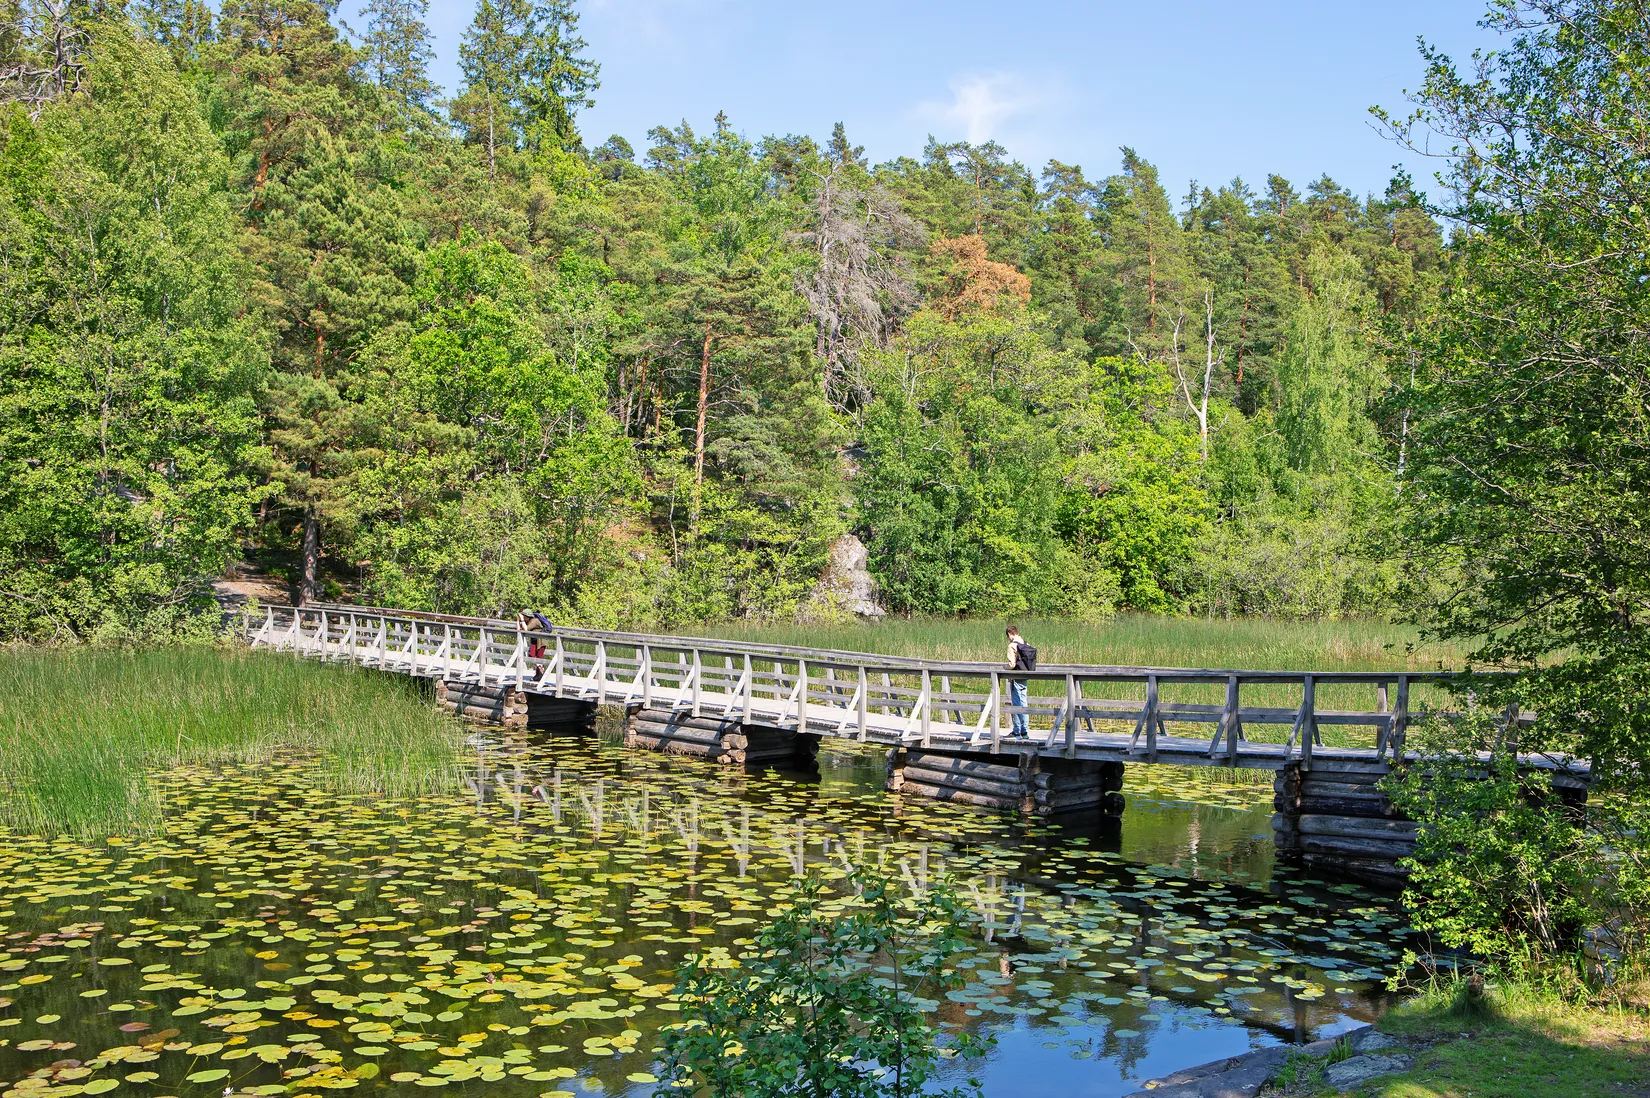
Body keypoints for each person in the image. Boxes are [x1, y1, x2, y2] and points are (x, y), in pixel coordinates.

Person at [1005, 625, 1033, 738]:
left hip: (1016, 677)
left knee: (1016, 704)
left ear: (1010, 634)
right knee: (1023, 702)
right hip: (1024, 676)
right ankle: (1024, 730)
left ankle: (1017, 731)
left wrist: (1005, 667)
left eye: (1008, 637)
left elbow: (1012, 664)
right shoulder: (1026, 644)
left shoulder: (1012, 646)